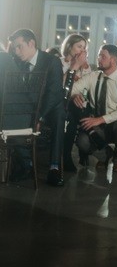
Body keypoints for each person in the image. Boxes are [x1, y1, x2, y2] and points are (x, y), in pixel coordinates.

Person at [7, 28, 66, 186]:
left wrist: (39, 116)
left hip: (50, 107)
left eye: (20, 46)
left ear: (31, 43)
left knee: (60, 115)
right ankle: (27, 163)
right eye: (14, 48)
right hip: (29, 106)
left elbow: (54, 93)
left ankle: (54, 167)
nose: (17, 51)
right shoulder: (16, 61)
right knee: (8, 117)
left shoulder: (51, 61)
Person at [71, 44, 117, 171]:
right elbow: (71, 90)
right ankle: (105, 156)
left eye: (102, 56)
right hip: (97, 127)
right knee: (81, 141)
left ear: (113, 60)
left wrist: (101, 119)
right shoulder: (93, 76)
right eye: (98, 56)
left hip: (116, 124)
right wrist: (74, 95)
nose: (98, 59)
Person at [61, 33, 92, 171]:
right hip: (62, 103)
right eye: (79, 46)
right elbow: (61, 87)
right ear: (69, 46)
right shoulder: (59, 62)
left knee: (81, 108)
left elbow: (87, 90)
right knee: (74, 113)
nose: (82, 51)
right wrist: (74, 66)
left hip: (80, 105)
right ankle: (67, 155)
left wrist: (84, 69)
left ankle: (81, 150)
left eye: (84, 48)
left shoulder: (85, 67)